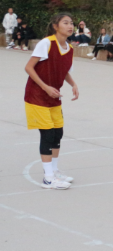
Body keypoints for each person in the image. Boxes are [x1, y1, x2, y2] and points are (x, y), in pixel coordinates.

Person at [23, 13, 80, 189]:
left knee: (57, 133)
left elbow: (64, 70)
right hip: (37, 96)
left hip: (54, 96)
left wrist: (73, 84)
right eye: (65, 23)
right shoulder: (46, 43)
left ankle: (54, 171)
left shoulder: (69, 48)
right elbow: (29, 67)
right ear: (56, 26)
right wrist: (45, 87)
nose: (70, 26)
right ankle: (48, 178)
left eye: (71, 23)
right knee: (47, 135)